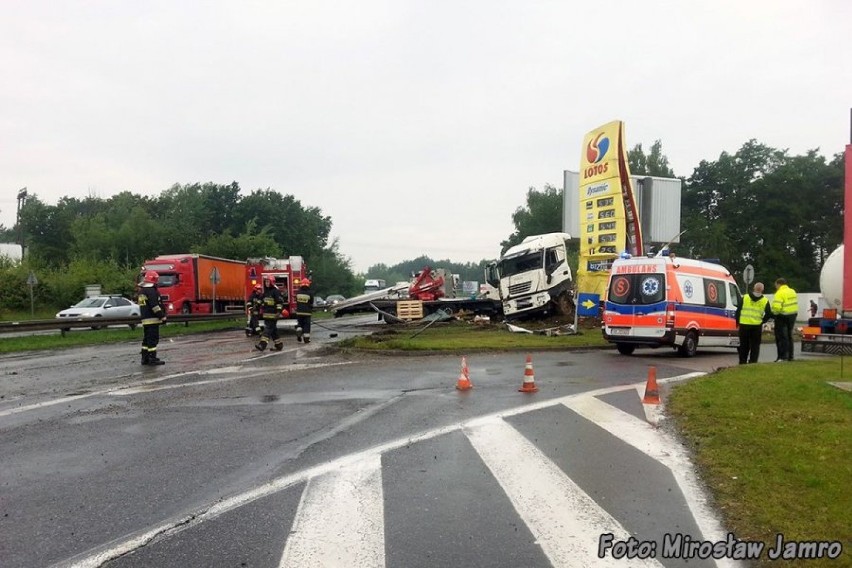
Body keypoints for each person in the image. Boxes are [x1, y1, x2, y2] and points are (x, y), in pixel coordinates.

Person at [735, 282, 772, 364]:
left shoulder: (745, 297)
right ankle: (753, 362)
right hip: (756, 326)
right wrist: (762, 321)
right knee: (755, 346)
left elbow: (738, 310)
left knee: (744, 345)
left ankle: (742, 362)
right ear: (762, 290)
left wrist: (737, 322)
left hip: (744, 325)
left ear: (754, 288)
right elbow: (769, 313)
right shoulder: (765, 300)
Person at [138, 270, 166, 365]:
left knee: (146, 339)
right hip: (152, 319)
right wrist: (162, 316)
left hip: (145, 319)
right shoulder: (151, 291)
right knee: (153, 340)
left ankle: (144, 358)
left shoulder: (142, 291)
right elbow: (155, 306)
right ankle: (152, 358)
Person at [771, 277, 798, 362]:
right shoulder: (792, 291)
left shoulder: (779, 293)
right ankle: (790, 356)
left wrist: (773, 314)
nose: (776, 287)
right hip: (792, 315)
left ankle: (782, 357)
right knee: (789, 336)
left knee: (781, 337)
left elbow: (776, 307)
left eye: (776, 285)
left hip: (782, 316)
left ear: (779, 284)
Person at [255, 275, 284, 351]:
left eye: (268, 281)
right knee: (273, 331)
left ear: (272, 282)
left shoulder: (276, 291)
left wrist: (278, 312)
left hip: (273, 315)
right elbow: (260, 300)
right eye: (266, 281)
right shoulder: (266, 292)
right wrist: (255, 306)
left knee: (267, 330)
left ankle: (262, 345)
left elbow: (280, 302)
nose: (266, 283)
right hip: (267, 315)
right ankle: (279, 345)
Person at [295, 277, 314, 344]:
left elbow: (296, 301)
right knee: (306, 326)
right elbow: (311, 302)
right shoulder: (310, 293)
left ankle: (299, 331)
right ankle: (306, 339)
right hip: (307, 313)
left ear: (301, 284)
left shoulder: (298, 292)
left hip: (299, 312)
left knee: (300, 324)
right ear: (308, 284)